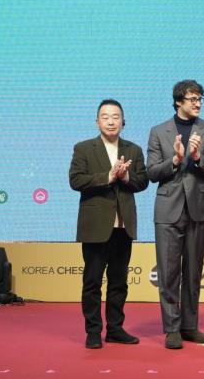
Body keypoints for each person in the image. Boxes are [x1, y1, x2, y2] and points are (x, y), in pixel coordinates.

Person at [147, 80, 204, 349]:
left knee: (193, 271)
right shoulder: (158, 131)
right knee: (168, 272)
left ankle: (190, 326)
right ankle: (172, 328)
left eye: (200, 99)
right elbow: (152, 172)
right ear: (179, 101)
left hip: (200, 207)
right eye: (192, 99)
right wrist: (176, 160)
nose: (198, 103)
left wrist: (197, 157)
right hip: (169, 209)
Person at [70, 99, 148, 349]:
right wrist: (108, 176)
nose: (111, 121)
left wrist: (125, 176)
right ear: (97, 122)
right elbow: (76, 180)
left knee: (119, 281)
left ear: (123, 122)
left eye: (116, 117)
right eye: (105, 117)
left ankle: (115, 329)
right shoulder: (83, 148)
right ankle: (93, 331)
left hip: (123, 227)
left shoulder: (134, 150)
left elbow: (143, 182)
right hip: (95, 227)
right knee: (92, 281)